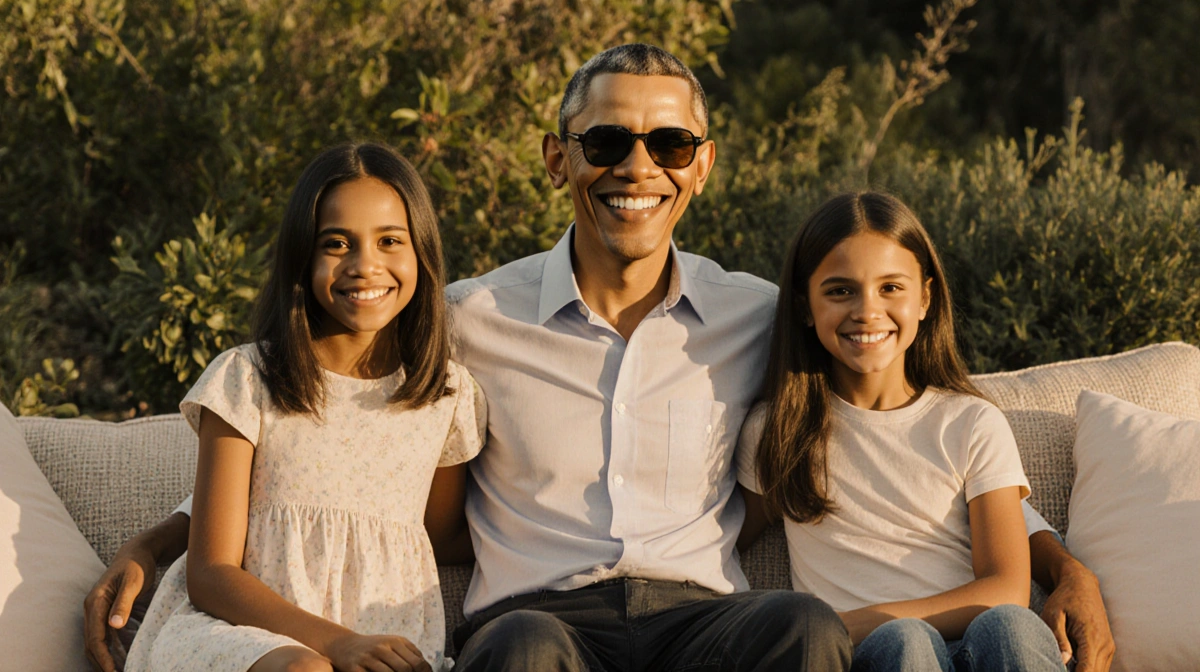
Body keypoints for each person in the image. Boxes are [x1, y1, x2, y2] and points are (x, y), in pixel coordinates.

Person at [84, 44, 1112, 672]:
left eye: (668, 144)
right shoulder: (467, 319)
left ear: (700, 167)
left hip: (703, 622)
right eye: (607, 141)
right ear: (559, 157)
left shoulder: (761, 315)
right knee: (523, 654)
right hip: (536, 622)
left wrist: (1063, 569)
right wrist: (158, 541)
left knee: (804, 629)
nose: (636, 167)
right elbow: (332, 438)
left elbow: (899, 427)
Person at [122, 142, 486, 672]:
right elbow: (211, 574)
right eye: (336, 243)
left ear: (421, 254)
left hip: (379, 648)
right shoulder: (247, 379)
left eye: (390, 240)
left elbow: (447, 537)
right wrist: (336, 643)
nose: (366, 265)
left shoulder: (445, 395)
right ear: (303, 256)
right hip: (239, 636)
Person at [735, 192, 1067, 671]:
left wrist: (852, 621)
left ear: (926, 298)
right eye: (840, 290)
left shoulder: (971, 423)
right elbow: (711, 547)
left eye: (891, 288)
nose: (867, 311)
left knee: (1010, 626)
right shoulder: (780, 431)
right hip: (881, 659)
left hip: (979, 648)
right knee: (906, 642)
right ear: (806, 305)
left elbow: (1007, 589)